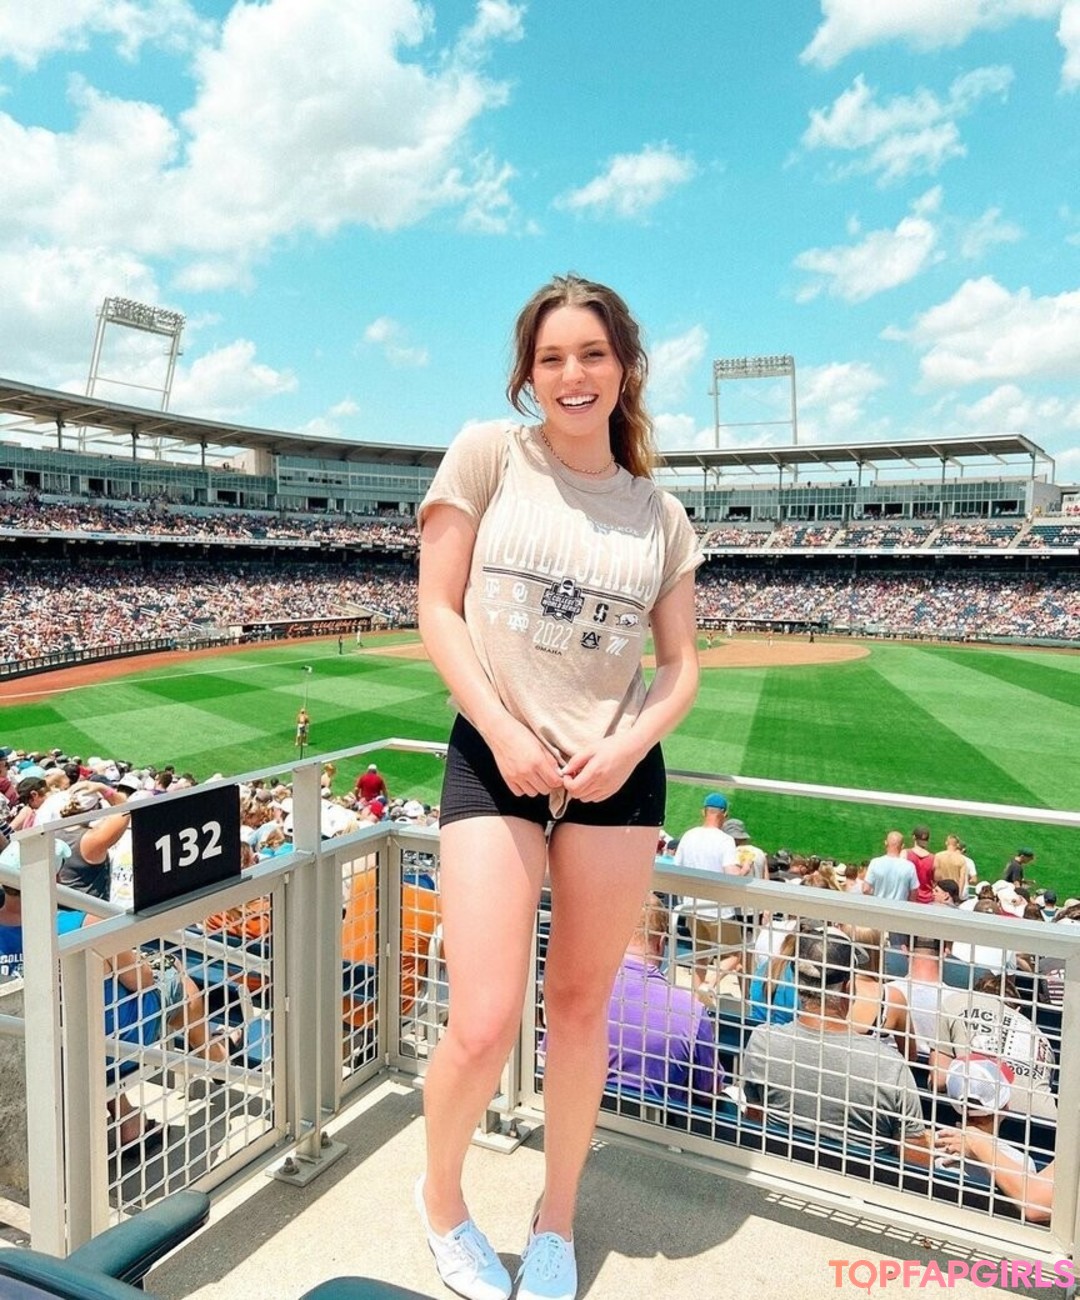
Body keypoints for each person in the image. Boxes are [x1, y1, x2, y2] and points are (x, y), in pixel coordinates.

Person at [413, 273, 701, 1300]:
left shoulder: (660, 513)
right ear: (528, 374)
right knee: (485, 1018)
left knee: (581, 1011)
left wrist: (628, 747)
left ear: (625, 368)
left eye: (591, 354)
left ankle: (557, 1218)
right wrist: (502, 730)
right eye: (551, 357)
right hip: (496, 758)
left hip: (614, 775)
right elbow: (437, 608)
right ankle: (442, 1200)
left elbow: (681, 669)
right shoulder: (488, 454)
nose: (572, 374)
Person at [742, 928, 930, 1167]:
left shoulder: (762, 1042)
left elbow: (755, 1124)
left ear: (798, 983)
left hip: (780, 1171)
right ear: (850, 987)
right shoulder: (889, 1066)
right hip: (862, 1184)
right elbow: (917, 1163)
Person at [604, 893, 726, 1109]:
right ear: (661, 943)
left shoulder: (584, 989)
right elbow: (709, 1091)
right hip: (659, 1123)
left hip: (585, 1115)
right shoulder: (692, 1012)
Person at [673, 793, 741, 993]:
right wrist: (745, 868)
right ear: (725, 814)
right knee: (735, 954)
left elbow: (677, 867)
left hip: (692, 905)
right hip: (718, 909)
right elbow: (732, 875)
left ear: (703, 812)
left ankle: (697, 998)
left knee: (700, 955)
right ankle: (707, 985)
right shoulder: (725, 840)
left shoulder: (689, 835)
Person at [864, 830, 918, 903]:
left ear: (886, 843)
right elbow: (914, 895)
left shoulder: (875, 862)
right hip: (899, 908)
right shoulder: (910, 867)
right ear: (902, 846)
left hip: (878, 906)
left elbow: (866, 889)